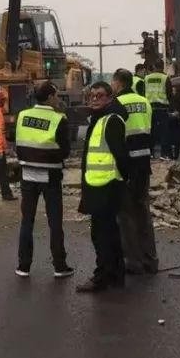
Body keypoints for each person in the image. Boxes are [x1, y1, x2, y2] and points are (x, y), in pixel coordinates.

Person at [14, 81, 74, 279]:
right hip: (51, 175)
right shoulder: (59, 119)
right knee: (55, 222)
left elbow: (18, 142)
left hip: (27, 174)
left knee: (27, 221)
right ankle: (59, 266)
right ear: (49, 97)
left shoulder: (23, 116)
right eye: (55, 95)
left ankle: (23, 266)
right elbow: (65, 151)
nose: (57, 99)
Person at [77, 81, 130, 293]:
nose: (95, 99)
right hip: (98, 184)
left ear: (110, 98)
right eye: (92, 96)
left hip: (105, 186)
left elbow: (121, 156)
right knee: (109, 233)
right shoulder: (101, 119)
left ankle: (102, 277)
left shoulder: (111, 120)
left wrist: (122, 180)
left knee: (102, 235)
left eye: (100, 96)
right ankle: (116, 275)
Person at [112, 69, 157, 275]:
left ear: (118, 83)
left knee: (126, 214)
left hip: (126, 163)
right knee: (143, 211)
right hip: (143, 163)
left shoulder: (117, 104)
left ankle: (133, 262)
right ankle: (150, 260)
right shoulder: (145, 102)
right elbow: (150, 130)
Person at [145, 61, 180, 159]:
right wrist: (172, 109)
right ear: (162, 67)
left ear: (154, 66)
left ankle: (150, 153)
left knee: (151, 131)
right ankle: (164, 154)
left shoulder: (147, 78)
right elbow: (169, 94)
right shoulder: (165, 78)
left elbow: (144, 92)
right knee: (164, 132)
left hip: (149, 107)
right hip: (162, 108)